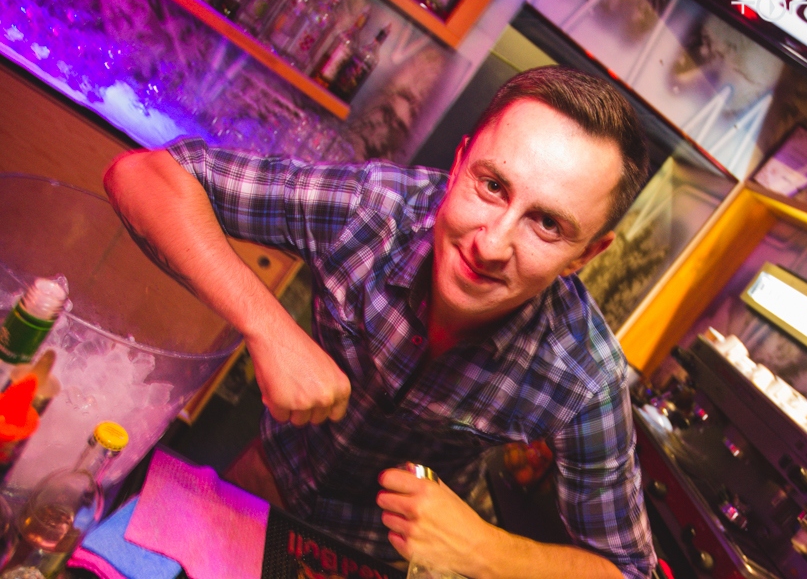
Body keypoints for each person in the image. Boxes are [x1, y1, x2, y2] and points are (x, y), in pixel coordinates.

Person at [104, 65, 657, 579]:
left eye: (548, 224)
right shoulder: (374, 210)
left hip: (395, 556)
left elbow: (628, 571)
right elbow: (142, 175)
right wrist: (268, 326)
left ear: (587, 254)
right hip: (266, 483)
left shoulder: (583, 374)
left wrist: (485, 550)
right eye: (492, 186)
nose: (492, 244)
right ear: (459, 164)